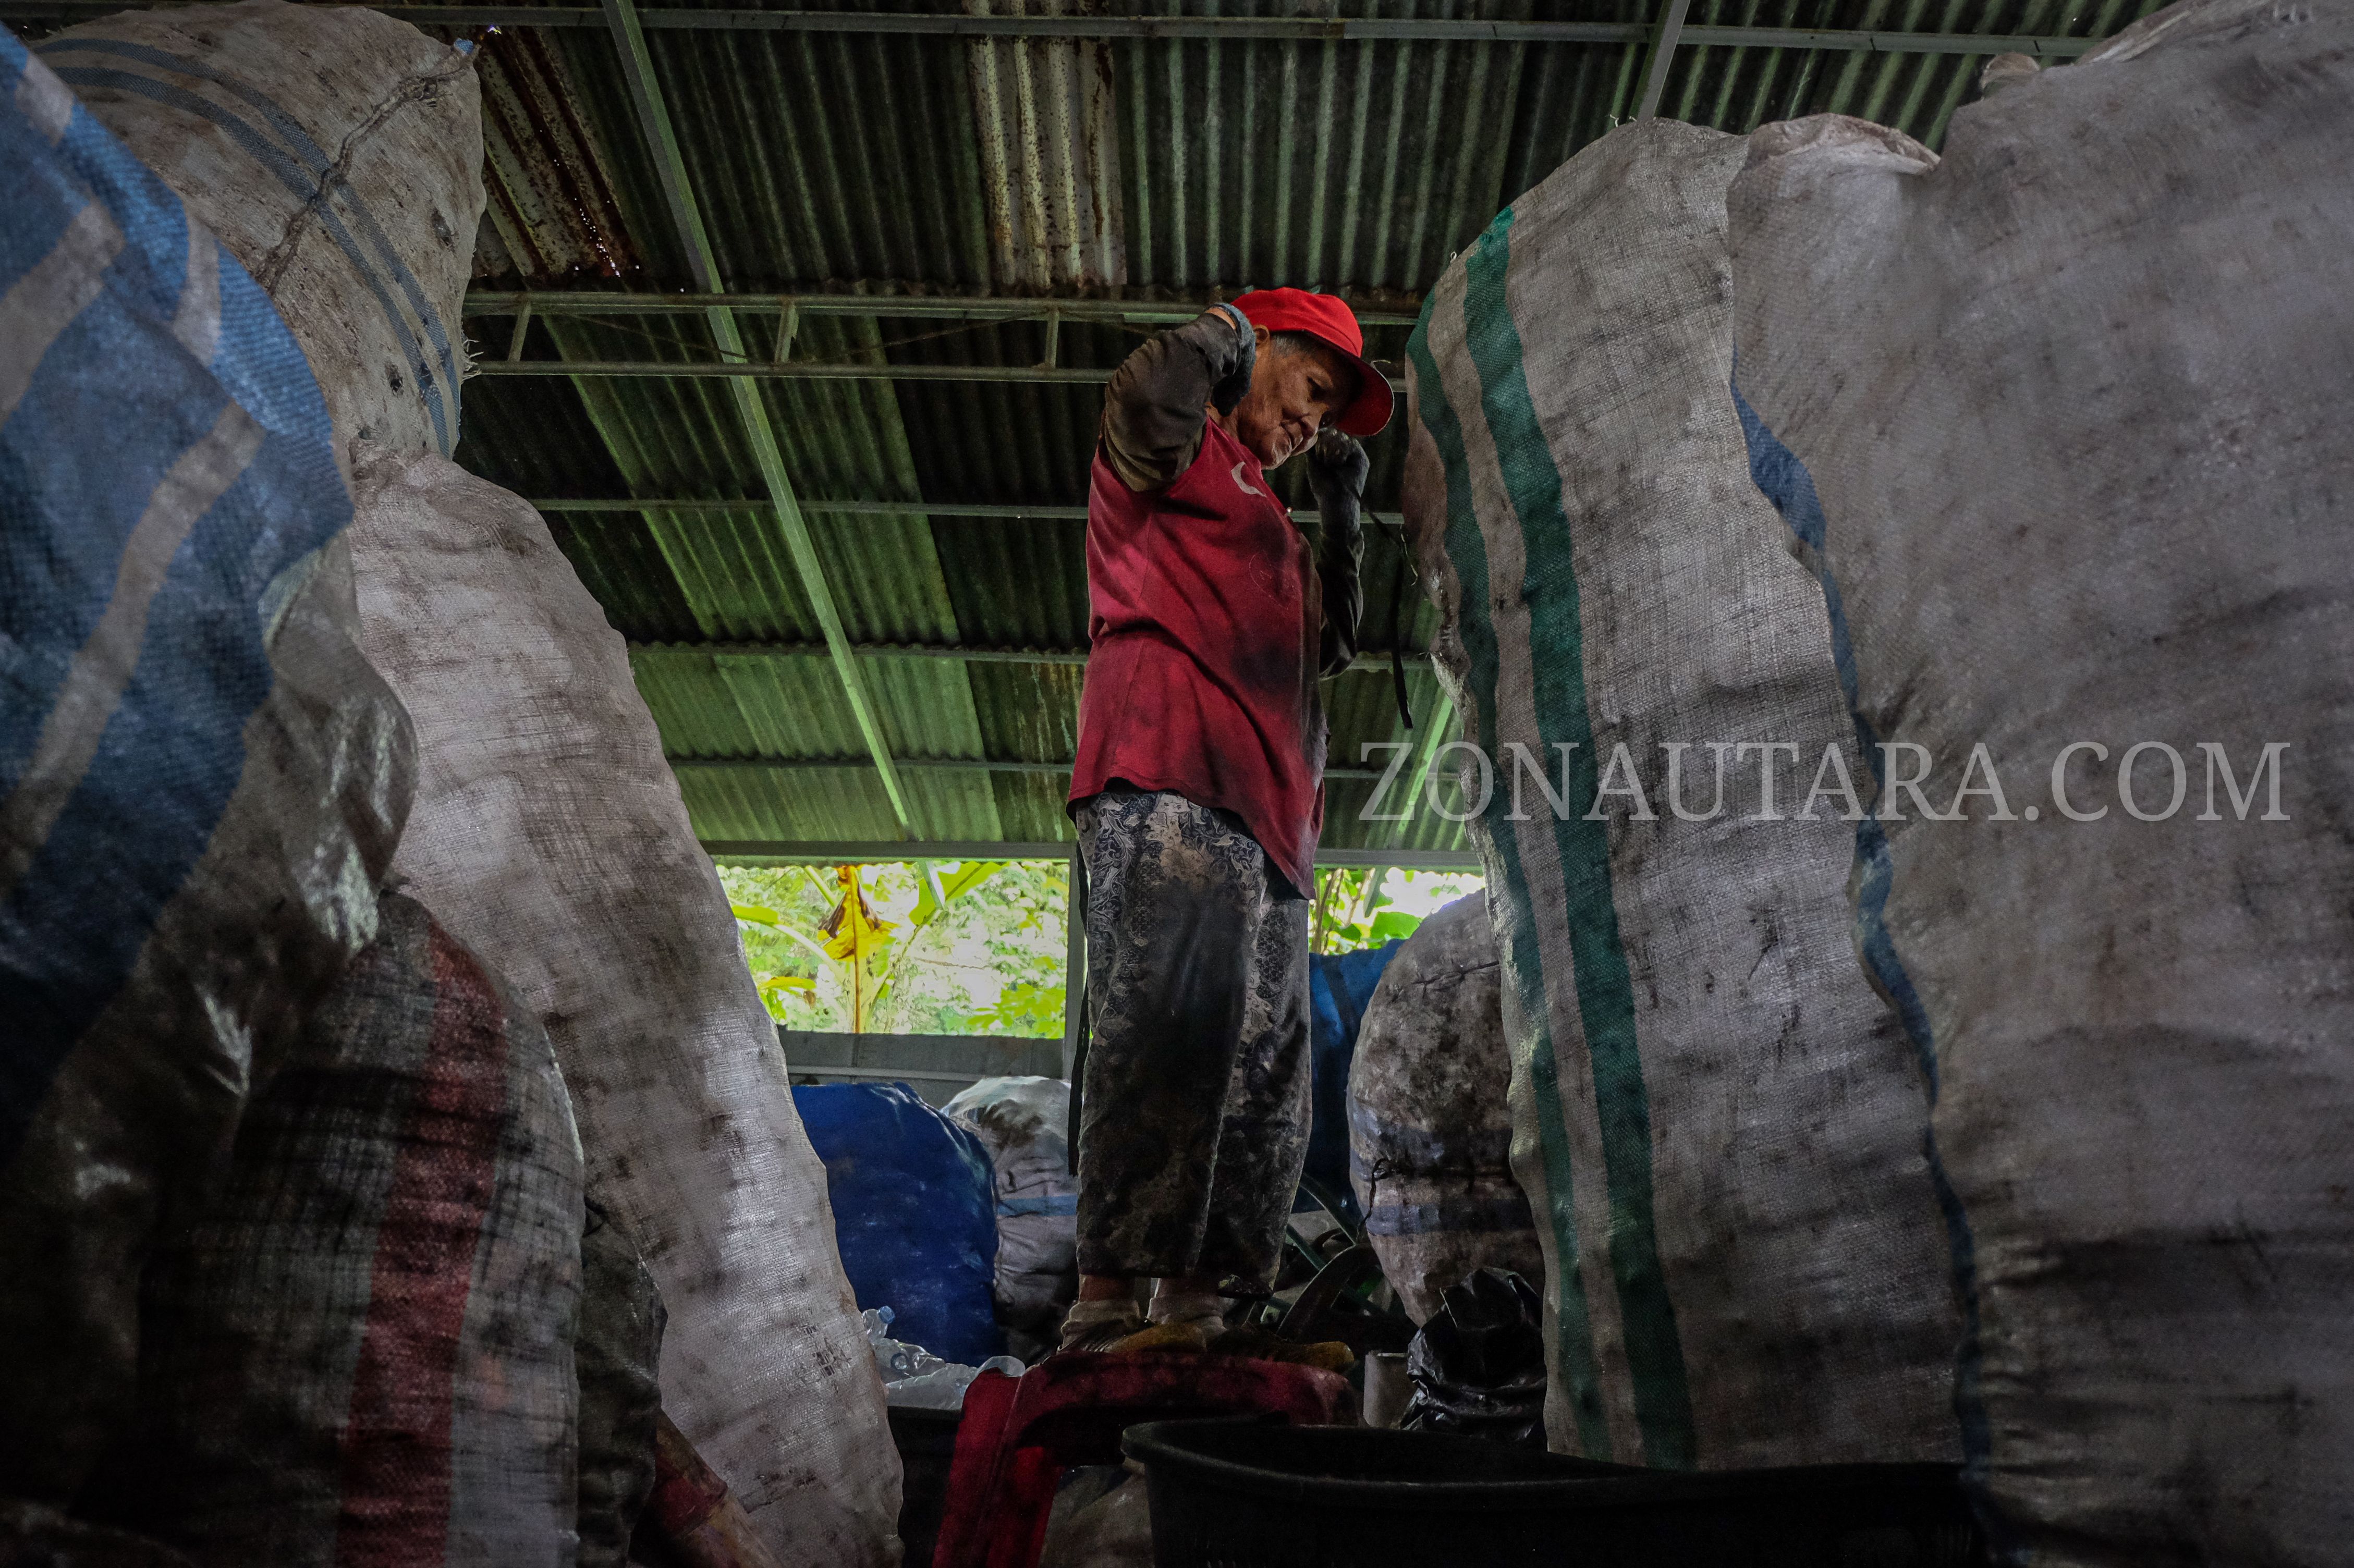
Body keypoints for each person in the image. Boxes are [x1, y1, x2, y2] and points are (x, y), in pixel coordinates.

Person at [1058, 289, 1392, 1354]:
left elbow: (1328, 645)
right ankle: (1106, 1301)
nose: (1312, 422)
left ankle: (1203, 1305)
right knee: (1165, 1028)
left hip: (1270, 822)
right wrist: (1214, 337)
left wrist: (1340, 517)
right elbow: (1139, 405)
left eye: (1329, 410)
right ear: (1261, 349)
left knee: (1260, 1067)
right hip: (1168, 771)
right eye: (1309, 387)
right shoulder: (1177, 453)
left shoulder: (1269, 520)